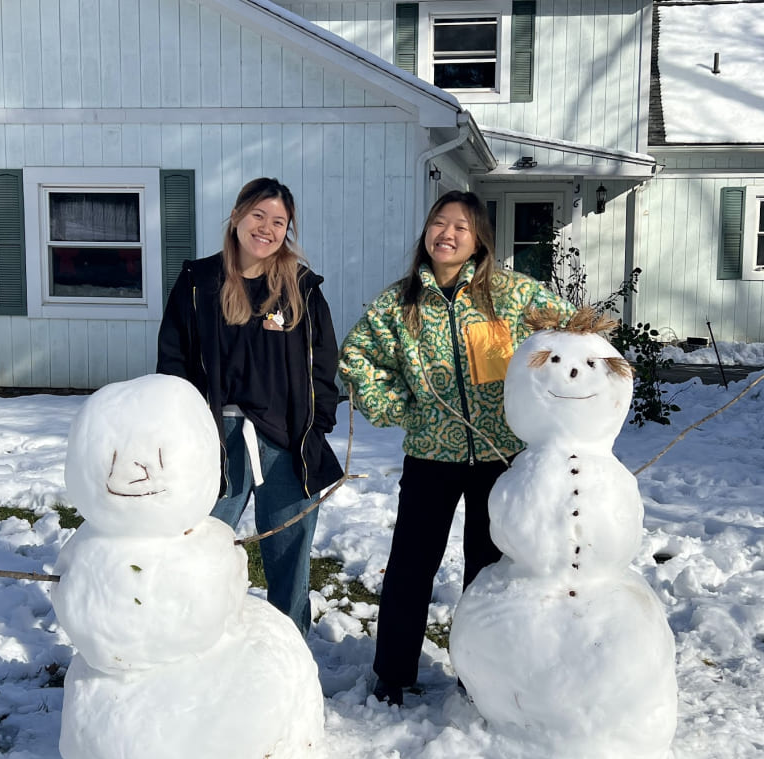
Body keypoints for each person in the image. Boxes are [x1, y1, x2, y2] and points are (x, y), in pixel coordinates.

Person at [338, 190, 574, 705]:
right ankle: (394, 673)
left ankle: (480, 673)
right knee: (410, 567)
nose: (446, 234)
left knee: (488, 570)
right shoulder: (399, 304)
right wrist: (402, 408)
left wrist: (544, 408)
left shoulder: (510, 295)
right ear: (426, 233)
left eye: (460, 227)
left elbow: (572, 332)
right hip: (430, 457)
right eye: (438, 223)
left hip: (500, 458)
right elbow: (356, 357)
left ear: (478, 240)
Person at [157, 177, 342, 637]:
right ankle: (194, 643)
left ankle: (292, 661)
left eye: (279, 221)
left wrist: (317, 426)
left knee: (289, 558)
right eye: (259, 215)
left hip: (286, 442)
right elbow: (173, 359)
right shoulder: (199, 282)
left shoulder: (300, 287)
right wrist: (179, 427)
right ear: (237, 216)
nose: (267, 228)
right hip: (215, 439)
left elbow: (324, 362)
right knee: (200, 545)